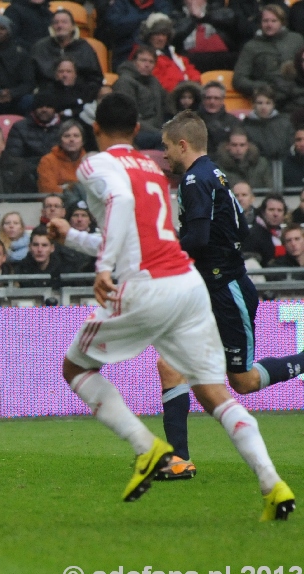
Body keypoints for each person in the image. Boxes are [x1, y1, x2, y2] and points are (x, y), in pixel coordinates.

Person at [56, 93, 294, 520]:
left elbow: (120, 206)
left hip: (149, 286)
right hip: (188, 285)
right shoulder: (152, 169)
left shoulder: (94, 165)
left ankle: (149, 449)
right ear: (136, 131)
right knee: (215, 389)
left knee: (75, 368)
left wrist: (104, 268)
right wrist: (71, 237)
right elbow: (152, 236)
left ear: (96, 130)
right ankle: (272, 483)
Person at [156, 111, 304, 477]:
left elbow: (198, 238)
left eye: (166, 147)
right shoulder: (215, 173)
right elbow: (240, 225)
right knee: (169, 365)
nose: (163, 155)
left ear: (182, 144)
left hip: (225, 290)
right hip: (208, 287)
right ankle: (178, 459)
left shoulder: (194, 180)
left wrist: (163, 253)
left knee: (243, 381)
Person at [233, 5, 304, 99]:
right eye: (265, 21)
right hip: (268, 98)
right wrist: (265, 87)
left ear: (282, 23)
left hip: (298, 95)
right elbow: (239, 80)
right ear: (260, 23)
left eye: (274, 21)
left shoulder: (296, 40)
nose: (269, 25)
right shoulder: (251, 46)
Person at [30, 8, 103, 90]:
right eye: (56, 23)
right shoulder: (40, 47)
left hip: (79, 93)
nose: (60, 26)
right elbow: (31, 77)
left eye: (64, 22)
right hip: (47, 94)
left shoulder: (84, 47)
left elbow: (95, 78)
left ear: (73, 27)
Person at [112, 45, 167, 150]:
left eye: (151, 62)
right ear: (133, 62)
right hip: (134, 132)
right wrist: (159, 132)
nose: (147, 65)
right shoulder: (125, 82)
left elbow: (166, 107)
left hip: (157, 130)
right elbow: (129, 116)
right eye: (143, 60)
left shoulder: (154, 82)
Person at [141, 12, 200, 93]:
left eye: (164, 34)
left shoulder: (176, 56)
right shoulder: (147, 59)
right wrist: (184, 88)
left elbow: (192, 72)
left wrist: (193, 84)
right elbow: (158, 83)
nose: (161, 38)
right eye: (157, 34)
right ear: (149, 36)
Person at [5, 89, 62, 169]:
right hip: (29, 173)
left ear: (55, 109)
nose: (44, 110)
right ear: (34, 108)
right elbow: (13, 158)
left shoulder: (64, 128)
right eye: (40, 106)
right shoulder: (19, 127)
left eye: (49, 106)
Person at [242, 85, 295, 161]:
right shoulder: (245, 126)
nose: (264, 107)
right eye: (260, 103)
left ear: (273, 105)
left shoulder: (285, 123)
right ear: (253, 104)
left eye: (268, 103)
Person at [37, 119, 86, 193]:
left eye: (76, 136)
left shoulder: (90, 160)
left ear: (83, 141)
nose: (71, 139)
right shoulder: (47, 160)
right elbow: (48, 190)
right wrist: (78, 188)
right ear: (60, 141)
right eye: (67, 136)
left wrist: (65, 187)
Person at [242, 194, 287, 266]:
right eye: (271, 209)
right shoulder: (252, 235)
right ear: (263, 212)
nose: (275, 214)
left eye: (279, 210)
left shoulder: (285, 234)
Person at [198, 80, 241, 155]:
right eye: (208, 98)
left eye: (216, 98)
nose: (212, 102)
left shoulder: (234, 122)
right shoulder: (192, 121)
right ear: (203, 99)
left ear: (222, 100)